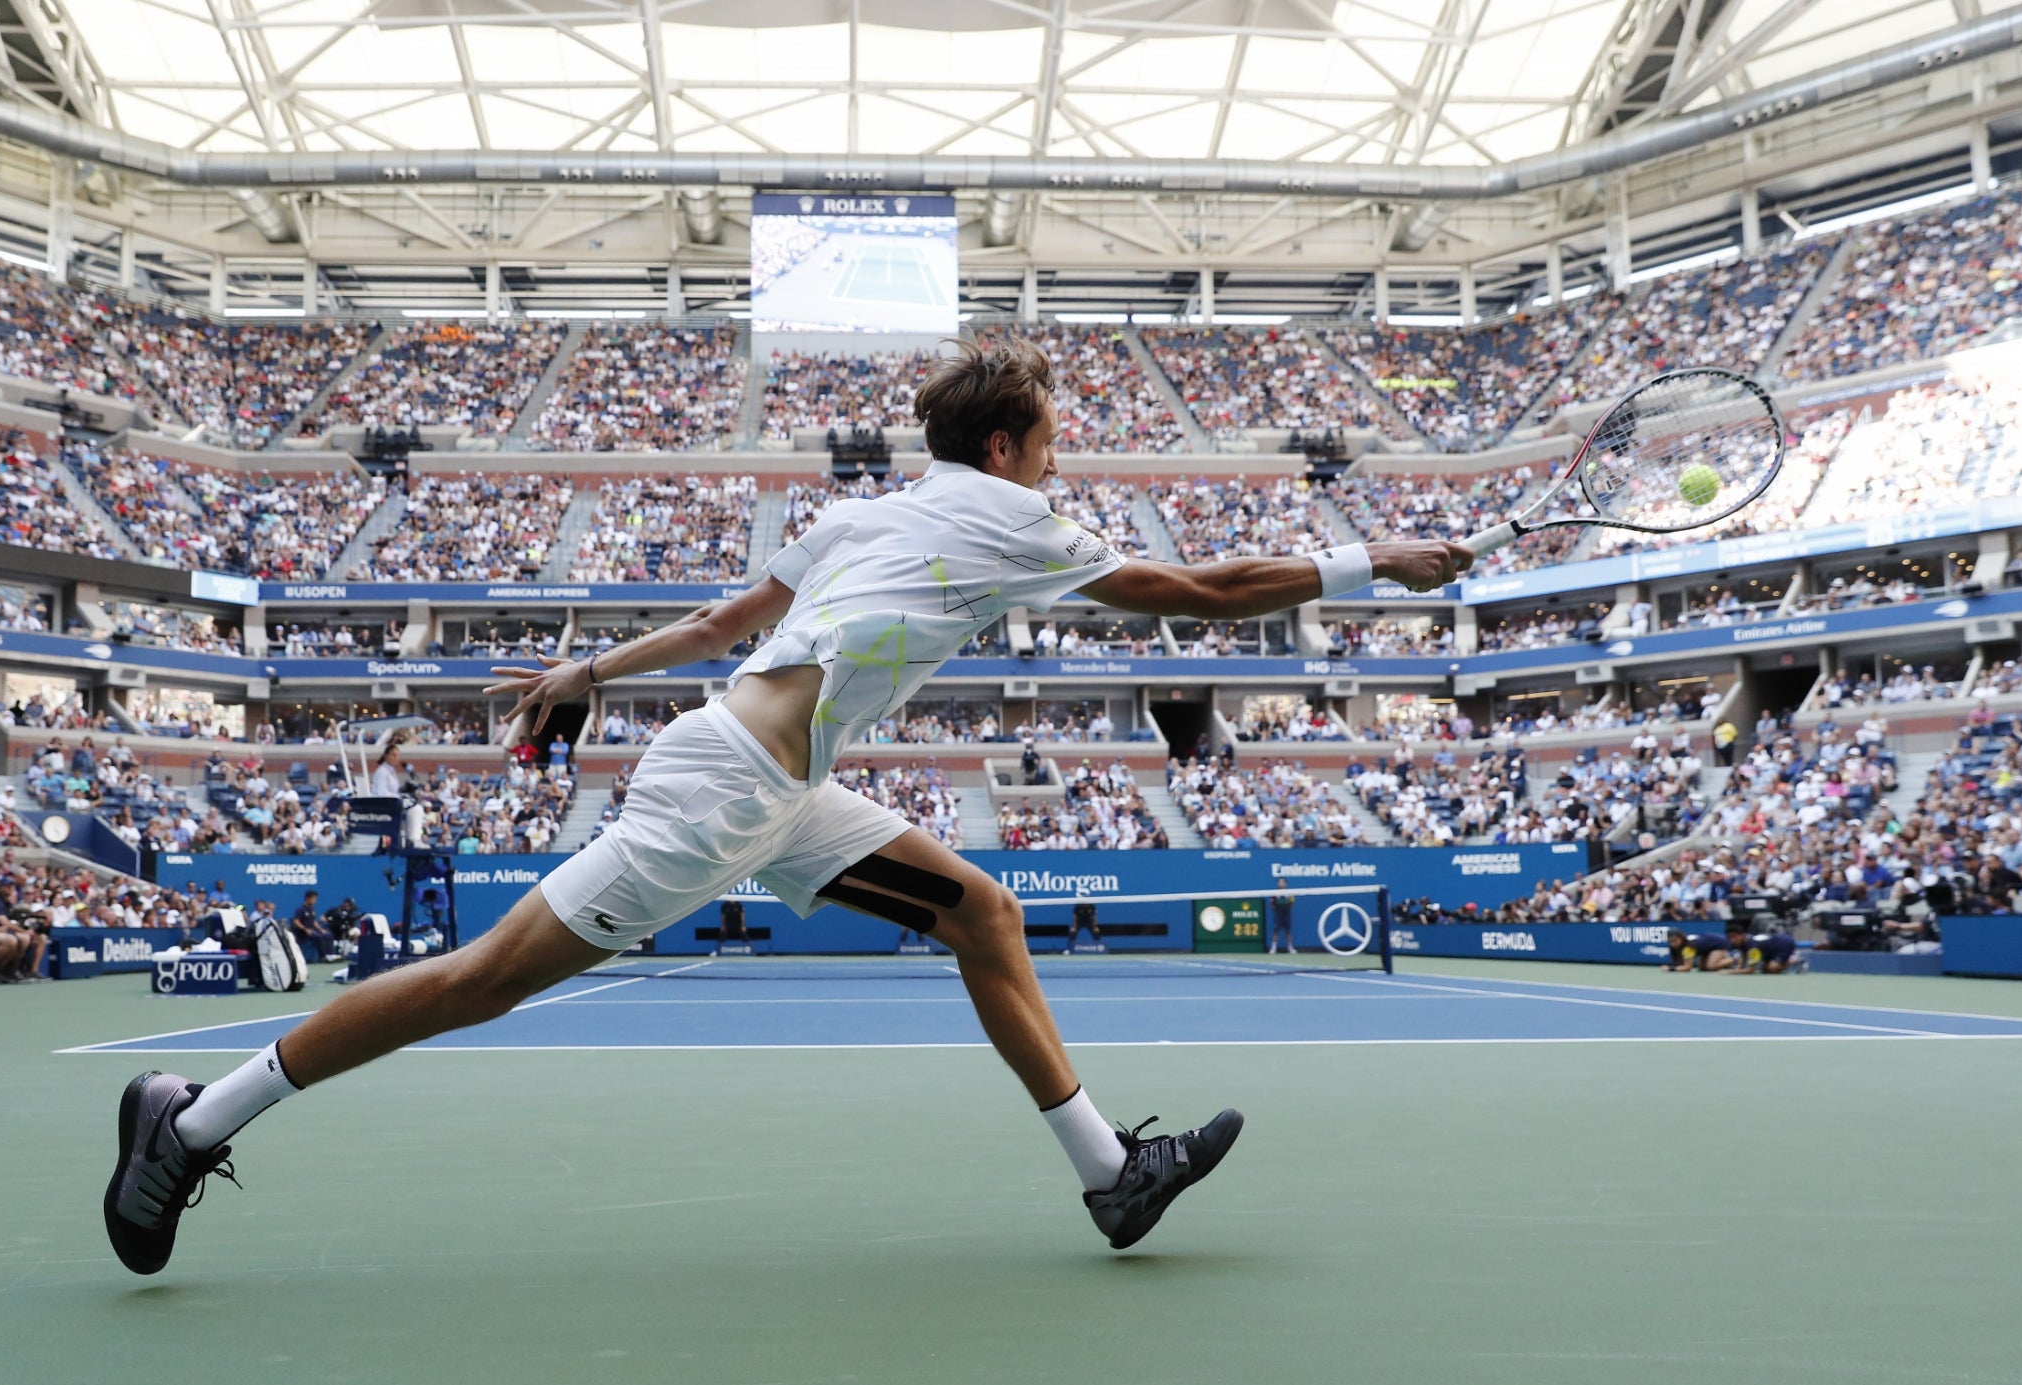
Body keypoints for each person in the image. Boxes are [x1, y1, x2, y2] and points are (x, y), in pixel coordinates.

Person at [102, 335, 1471, 1275]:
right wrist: (1374, 560)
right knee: (475, 984)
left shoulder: (865, 514)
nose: (1061, 460)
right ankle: (191, 1121)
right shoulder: (1013, 519)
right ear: (1006, 445)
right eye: (1052, 439)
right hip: (719, 800)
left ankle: (1111, 1170)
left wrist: (588, 663)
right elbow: (1202, 593)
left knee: (981, 909)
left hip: (783, 785)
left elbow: (719, 620)